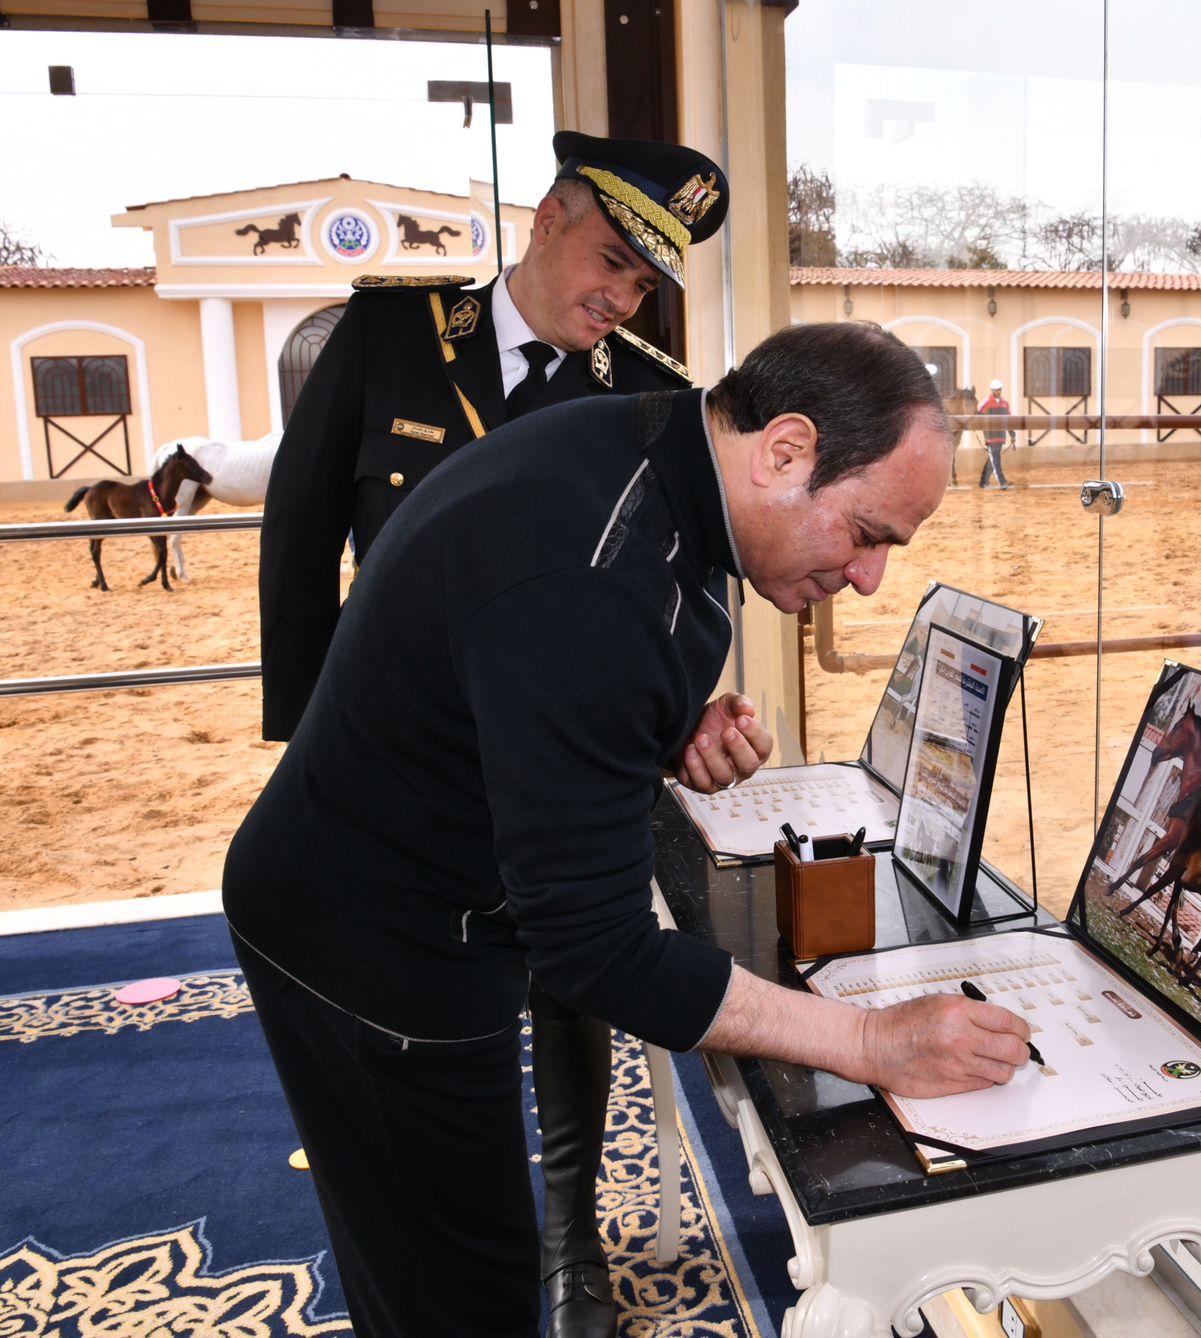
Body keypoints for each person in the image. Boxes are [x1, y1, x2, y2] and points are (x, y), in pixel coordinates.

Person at [222, 321, 1034, 1338]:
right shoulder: (592, 578)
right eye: (867, 532)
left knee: (455, 1255)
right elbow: (598, 953)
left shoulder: (651, 445)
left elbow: (526, 662)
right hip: (369, 942)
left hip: (406, 876)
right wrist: (873, 1039)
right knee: (458, 1286)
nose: (869, 579)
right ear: (784, 451)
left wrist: (654, 726)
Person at [256, 132, 747, 1338]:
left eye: (643, 282)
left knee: (577, 970)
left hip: (562, 755)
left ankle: (571, 1238)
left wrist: (680, 713)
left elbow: (644, 594)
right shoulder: (387, 338)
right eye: (609, 257)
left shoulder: (647, 394)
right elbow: (299, 532)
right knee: (408, 1039)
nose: (619, 294)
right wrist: (312, 735)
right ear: (545, 217)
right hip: (406, 751)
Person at [976, 377, 1015, 490]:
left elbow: (1009, 421)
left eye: (998, 389)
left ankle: (983, 482)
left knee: (993, 459)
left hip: (1001, 436)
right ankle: (1002, 482)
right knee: (996, 459)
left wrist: (1013, 435)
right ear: (991, 390)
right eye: (994, 390)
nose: (996, 391)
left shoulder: (1005, 404)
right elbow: (979, 417)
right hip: (990, 437)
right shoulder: (986, 403)